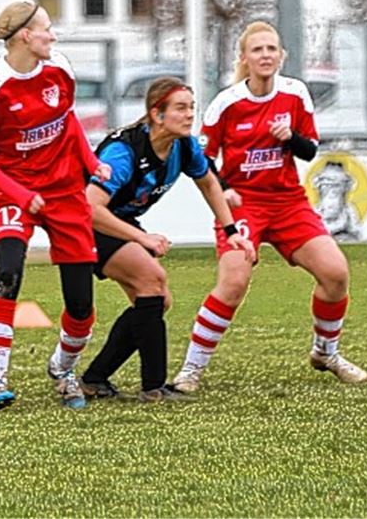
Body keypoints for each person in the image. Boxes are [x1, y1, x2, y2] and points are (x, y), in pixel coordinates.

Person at [170, 21, 367, 392]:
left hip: (289, 203)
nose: (265, 55)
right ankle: (191, 370)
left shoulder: (295, 94)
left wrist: (290, 137)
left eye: (271, 49)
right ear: (244, 58)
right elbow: (202, 160)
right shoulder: (226, 103)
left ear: (282, 56)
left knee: (335, 273)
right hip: (243, 205)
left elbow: (309, 150)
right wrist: (225, 191)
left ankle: (326, 352)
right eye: (257, 50)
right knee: (233, 282)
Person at [78, 77, 257, 402]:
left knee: (158, 299)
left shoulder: (184, 146)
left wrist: (232, 232)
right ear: (156, 115)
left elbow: (209, 183)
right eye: (180, 108)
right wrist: (143, 239)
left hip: (114, 221)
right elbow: (90, 208)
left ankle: (94, 378)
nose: (190, 115)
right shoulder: (124, 152)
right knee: (152, 280)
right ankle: (154, 388)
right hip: (82, 223)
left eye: (191, 107)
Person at [0, 0, 112, 411]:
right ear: (25, 37)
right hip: (14, 194)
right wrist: (21, 196)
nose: (53, 36)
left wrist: (91, 163)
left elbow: (68, 121)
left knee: (80, 304)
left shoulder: (60, 69)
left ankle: (62, 369)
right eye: (46, 29)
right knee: (7, 274)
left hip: (65, 192)